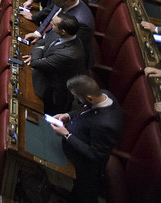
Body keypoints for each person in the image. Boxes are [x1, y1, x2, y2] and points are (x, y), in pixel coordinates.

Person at [49, 75, 124, 203]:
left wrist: (67, 134)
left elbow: (95, 155)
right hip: (76, 146)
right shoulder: (104, 95)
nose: (76, 99)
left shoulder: (106, 125)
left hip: (84, 166)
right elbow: (85, 111)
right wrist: (68, 116)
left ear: (89, 97)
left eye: (77, 97)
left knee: (83, 195)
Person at [26, 15, 87, 114]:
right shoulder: (59, 33)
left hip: (50, 92)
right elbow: (41, 42)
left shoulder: (70, 54)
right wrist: (40, 50)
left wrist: (38, 50)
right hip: (42, 73)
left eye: (53, 24)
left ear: (63, 31)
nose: (51, 25)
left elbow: (35, 63)